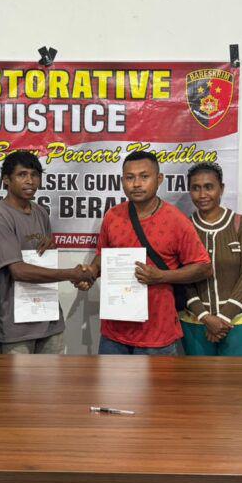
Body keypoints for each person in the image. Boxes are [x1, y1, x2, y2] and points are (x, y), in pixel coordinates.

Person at [85, 150, 211, 355]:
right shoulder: (112, 216)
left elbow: (204, 268)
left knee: (157, 380)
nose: (136, 184)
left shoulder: (176, 220)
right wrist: (91, 272)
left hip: (157, 334)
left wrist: (162, 276)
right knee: (111, 378)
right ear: (122, 181)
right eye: (130, 178)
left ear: (159, 179)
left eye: (144, 177)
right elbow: (102, 256)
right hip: (114, 332)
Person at [0, 151, 93, 354]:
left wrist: (51, 248)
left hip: (49, 319)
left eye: (35, 175)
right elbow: (18, 271)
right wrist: (72, 274)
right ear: (6, 180)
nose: (30, 181)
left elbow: (43, 255)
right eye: (22, 174)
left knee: (53, 376)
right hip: (16, 326)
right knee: (19, 377)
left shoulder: (40, 212)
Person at [182, 162, 242, 356]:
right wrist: (205, 317)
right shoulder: (184, 226)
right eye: (196, 188)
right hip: (195, 321)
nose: (202, 194)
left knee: (235, 376)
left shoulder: (241, 224)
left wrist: (223, 318)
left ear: (222, 188)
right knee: (199, 376)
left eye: (209, 187)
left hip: (239, 321)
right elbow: (182, 277)